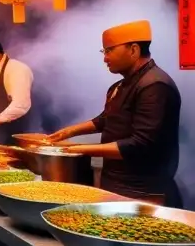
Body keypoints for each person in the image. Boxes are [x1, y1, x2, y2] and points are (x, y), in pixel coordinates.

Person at [48, 20, 182, 206]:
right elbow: (107, 119)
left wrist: (77, 150)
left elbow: (141, 144)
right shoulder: (119, 85)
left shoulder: (154, 85)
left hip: (142, 191)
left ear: (133, 50)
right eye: (104, 52)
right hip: (116, 184)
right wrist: (70, 132)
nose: (105, 58)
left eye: (109, 50)